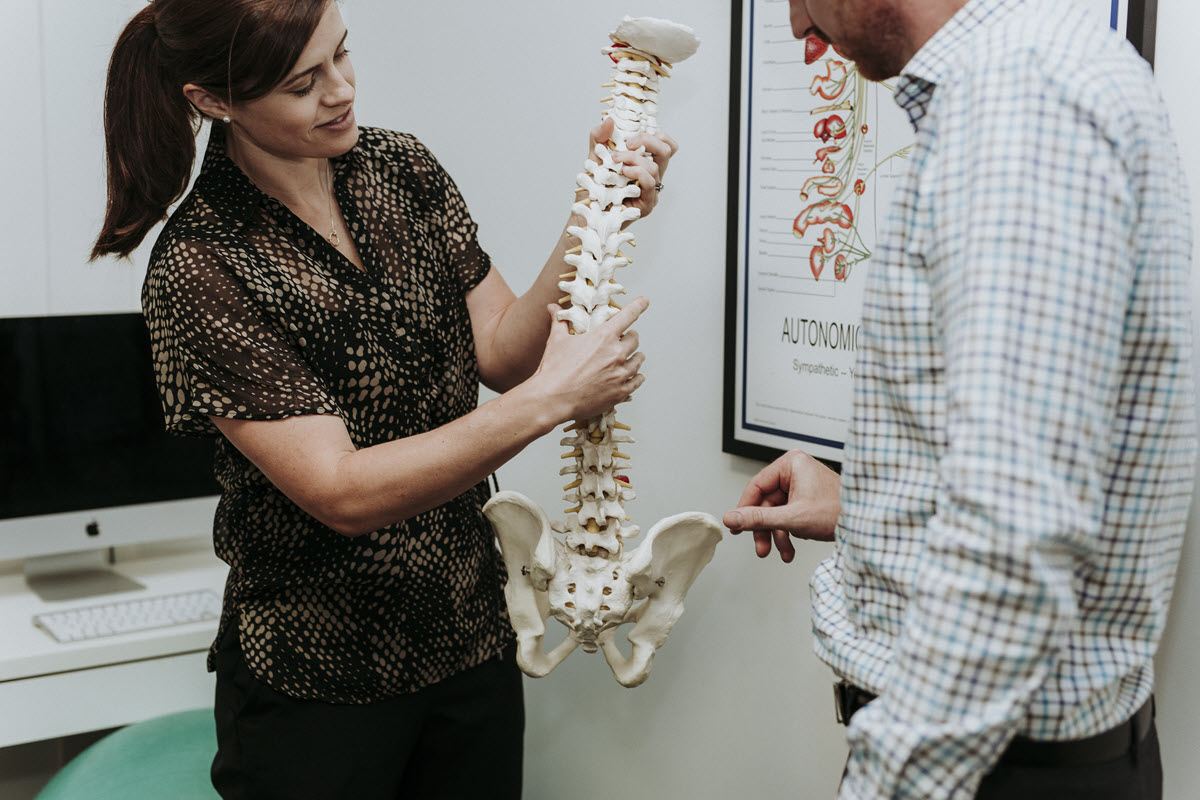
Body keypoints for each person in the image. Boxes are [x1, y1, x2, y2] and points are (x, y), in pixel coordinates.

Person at [91, 1, 677, 797]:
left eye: (342, 55)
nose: (341, 91)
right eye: (304, 83)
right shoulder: (203, 265)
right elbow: (341, 491)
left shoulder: (403, 168)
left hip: (470, 642)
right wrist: (551, 402)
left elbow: (502, 350)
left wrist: (594, 215)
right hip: (314, 686)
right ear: (212, 100)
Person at [724, 1, 1195, 798]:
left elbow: (1016, 532)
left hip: (999, 769)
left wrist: (881, 789)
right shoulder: (1044, 69)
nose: (798, 26)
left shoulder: (1019, 93)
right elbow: (1053, 455)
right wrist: (865, 507)